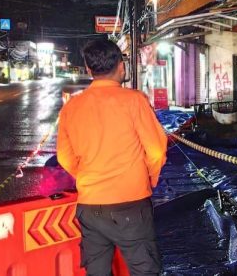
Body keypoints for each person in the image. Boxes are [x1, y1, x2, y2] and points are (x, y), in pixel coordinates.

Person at [57, 39, 168, 276]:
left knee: (97, 272)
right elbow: (156, 151)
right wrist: (148, 179)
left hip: (89, 205)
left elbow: (64, 158)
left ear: (88, 69)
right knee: (144, 270)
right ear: (121, 66)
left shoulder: (71, 107)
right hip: (130, 204)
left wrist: (90, 178)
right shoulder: (134, 101)